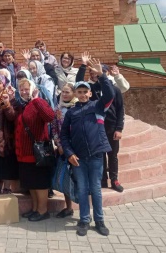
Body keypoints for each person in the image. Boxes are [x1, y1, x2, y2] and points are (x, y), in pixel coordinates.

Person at [60, 59, 115, 237]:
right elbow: (64, 136)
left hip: (96, 156)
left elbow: (110, 95)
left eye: (85, 92)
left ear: (90, 93)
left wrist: (102, 75)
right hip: (79, 158)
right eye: (80, 92)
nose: (83, 94)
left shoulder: (98, 107)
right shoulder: (71, 113)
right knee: (82, 189)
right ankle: (84, 219)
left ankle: (99, 220)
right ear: (76, 93)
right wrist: (69, 153)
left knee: (96, 189)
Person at [75, 54, 126, 192]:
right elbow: (78, 83)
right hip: (97, 128)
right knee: (100, 155)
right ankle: (102, 179)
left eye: (97, 72)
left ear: (104, 73)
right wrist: (84, 66)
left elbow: (121, 110)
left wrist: (119, 128)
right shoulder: (91, 89)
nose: (94, 75)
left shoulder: (114, 89)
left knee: (112, 155)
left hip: (112, 127)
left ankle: (114, 179)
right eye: (91, 73)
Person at [14, 79, 55, 221]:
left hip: (37, 153)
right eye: (21, 89)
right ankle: (35, 209)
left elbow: (50, 116)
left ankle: (43, 211)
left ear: (32, 89)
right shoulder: (24, 105)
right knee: (32, 183)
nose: (24, 92)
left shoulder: (38, 103)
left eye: (26, 89)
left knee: (40, 183)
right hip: (25, 153)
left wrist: (37, 100)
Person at [51, 83, 78, 218]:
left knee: (79, 179)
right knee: (66, 178)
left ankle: (83, 208)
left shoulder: (78, 108)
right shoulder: (58, 109)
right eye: (63, 92)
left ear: (73, 93)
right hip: (63, 149)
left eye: (68, 92)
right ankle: (69, 208)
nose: (65, 94)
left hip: (77, 149)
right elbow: (55, 128)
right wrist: (59, 145)